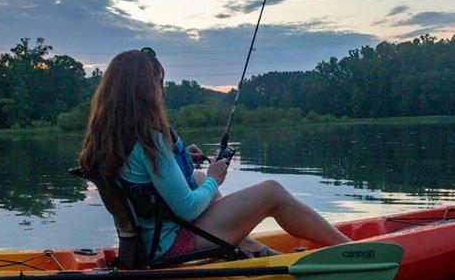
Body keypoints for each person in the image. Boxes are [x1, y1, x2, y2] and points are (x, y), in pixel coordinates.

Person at [79, 49, 350, 263]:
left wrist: (182, 158)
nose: (162, 91)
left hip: (146, 243)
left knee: (195, 176)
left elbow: (148, 180)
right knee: (272, 191)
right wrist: (214, 179)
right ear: (143, 91)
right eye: (158, 84)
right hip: (168, 246)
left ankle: (253, 251)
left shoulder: (111, 138)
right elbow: (186, 208)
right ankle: (349, 250)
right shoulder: (150, 139)